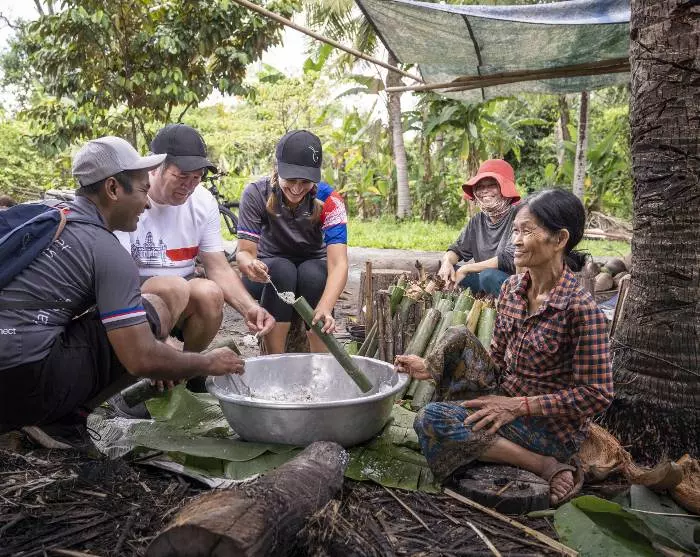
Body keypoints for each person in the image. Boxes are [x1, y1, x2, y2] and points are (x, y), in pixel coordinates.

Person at [0, 137, 245, 444]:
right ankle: (63, 421)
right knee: (152, 311)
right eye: (143, 190)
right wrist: (208, 362)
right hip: (21, 387)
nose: (147, 203)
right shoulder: (105, 249)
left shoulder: (44, 214)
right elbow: (141, 358)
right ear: (113, 188)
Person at [396, 189, 613, 506]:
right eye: (515, 231)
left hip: (548, 428)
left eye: (526, 231)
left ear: (560, 239)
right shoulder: (512, 289)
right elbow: (496, 359)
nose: (516, 241)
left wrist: (518, 406)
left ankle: (545, 464)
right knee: (458, 335)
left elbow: (597, 394)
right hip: (505, 398)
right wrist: (430, 368)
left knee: (432, 419)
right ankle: (492, 446)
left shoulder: (580, 310)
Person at [115, 124, 274, 387]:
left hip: (182, 303)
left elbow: (218, 267)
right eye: (182, 176)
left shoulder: (202, 201)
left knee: (209, 293)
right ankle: (154, 364)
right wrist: (158, 342)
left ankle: (185, 370)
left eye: (197, 177)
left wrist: (251, 308)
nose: (189, 186)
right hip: (134, 305)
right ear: (155, 167)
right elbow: (118, 279)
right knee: (171, 286)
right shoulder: (130, 198)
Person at [236, 130, 349, 354]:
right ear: (276, 169)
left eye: (305, 181)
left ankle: (320, 364)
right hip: (269, 275)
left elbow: (338, 263)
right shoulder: (255, 193)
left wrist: (325, 307)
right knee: (282, 270)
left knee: (312, 273)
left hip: (312, 274)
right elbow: (244, 253)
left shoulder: (330, 199)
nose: (297, 189)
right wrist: (251, 265)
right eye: (290, 180)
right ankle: (274, 361)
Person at [437, 159, 520, 296]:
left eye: (492, 185)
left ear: (505, 188)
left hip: (514, 284)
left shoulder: (520, 215)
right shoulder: (477, 220)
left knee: (488, 276)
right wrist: (447, 263)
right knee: (449, 272)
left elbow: (510, 259)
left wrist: (467, 268)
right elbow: (457, 250)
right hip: (485, 280)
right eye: (480, 187)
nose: (485, 191)